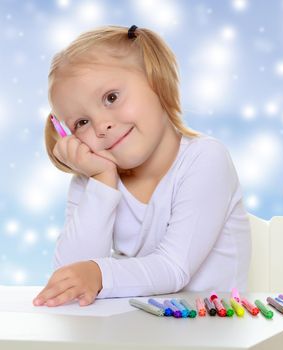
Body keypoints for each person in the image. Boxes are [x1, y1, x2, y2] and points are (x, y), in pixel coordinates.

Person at [33, 25, 251, 307]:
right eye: (82, 123)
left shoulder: (206, 159)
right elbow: (71, 281)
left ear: (156, 80)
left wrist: (99, 273)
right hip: (140, 331)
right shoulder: (93, 179)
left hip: (214, 332)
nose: (101, 126)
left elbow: (174, 268)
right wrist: (101, 180)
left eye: (111, 97)